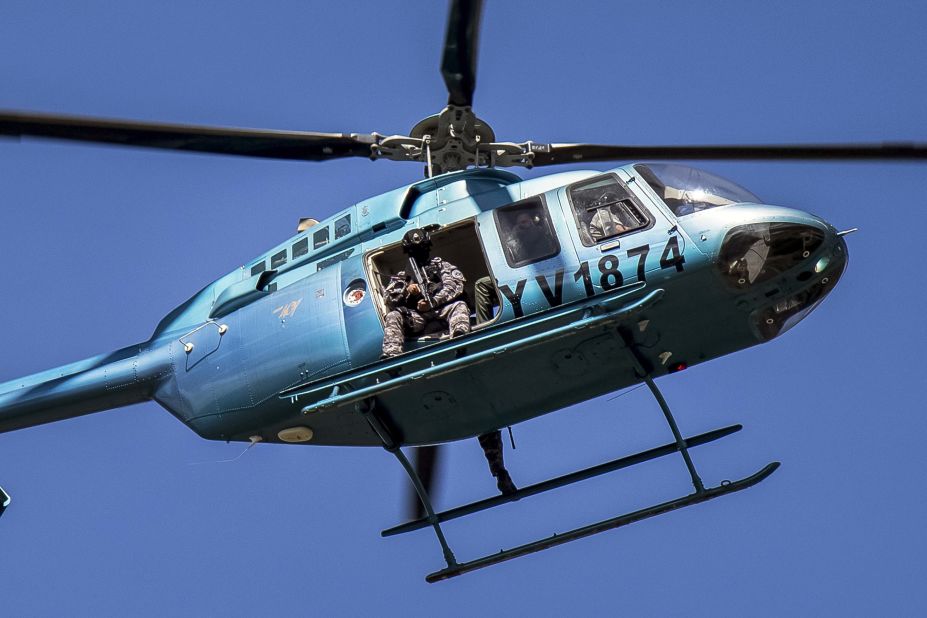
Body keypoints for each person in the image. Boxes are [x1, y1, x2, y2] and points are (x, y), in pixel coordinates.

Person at [380, 231, 471, 358]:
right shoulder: (403, 276)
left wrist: (433, 301)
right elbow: (389, 299)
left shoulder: (441, 266)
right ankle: (391, 353)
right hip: (418, 317)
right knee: (394, 315)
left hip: (442, 309)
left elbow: (454, 286)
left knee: (459, 305)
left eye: (422, 248)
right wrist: (407, 290)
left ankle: (459, 339)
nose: (419, 253)